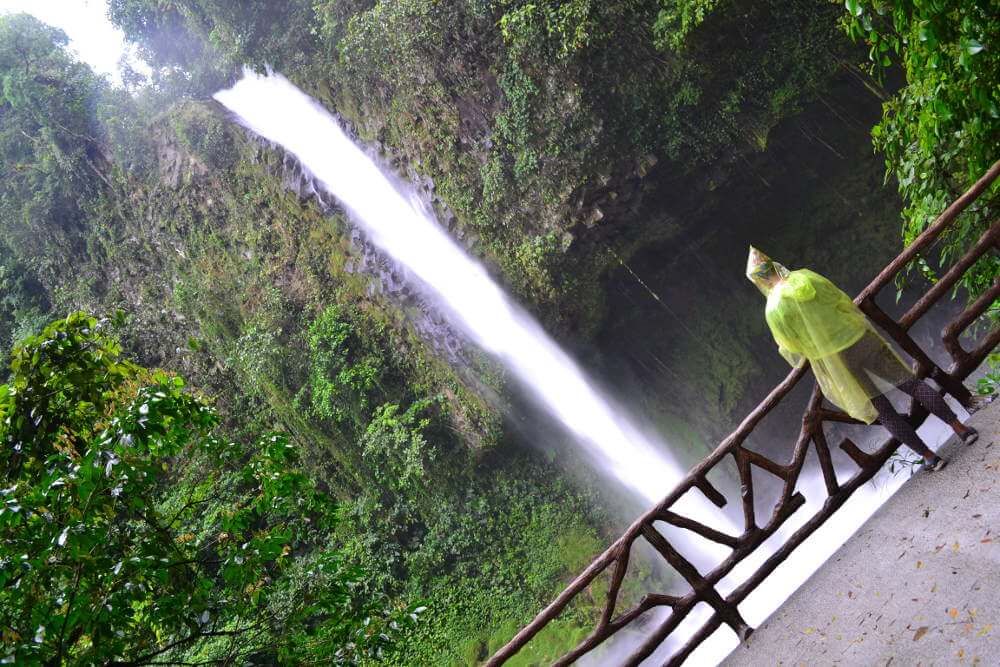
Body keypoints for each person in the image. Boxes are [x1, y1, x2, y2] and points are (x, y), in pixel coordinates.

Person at [746, 246, 978, 472]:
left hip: (838, 361)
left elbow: (791, 347)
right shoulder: (805, 277)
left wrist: (816, 347)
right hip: (860, 338)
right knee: (911, 384)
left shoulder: (773, 310)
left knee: (883, 410)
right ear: (773, 265)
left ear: (759, 280)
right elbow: (840, 299)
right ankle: (961, 429)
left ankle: (930, 458)